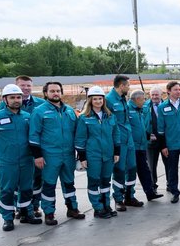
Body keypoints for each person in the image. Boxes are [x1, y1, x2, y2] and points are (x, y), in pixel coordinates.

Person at [29, 81, 85, 225]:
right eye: (52, 91)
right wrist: (37, 155)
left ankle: (72, 208)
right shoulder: (39, 111)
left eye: (58, 91)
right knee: (49, 185)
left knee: (69, 183)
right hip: (49, 155)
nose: (55, 93)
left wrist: (80, 153)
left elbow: (77, 133)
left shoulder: (69, 111)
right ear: (45, 93)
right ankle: (49, 213)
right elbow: (34, 135)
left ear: (61, 92)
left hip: (68, 154)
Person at [0, 85, 36, 231]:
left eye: (18, 97)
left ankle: (27, 213)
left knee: (26, 188)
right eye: (12, 97)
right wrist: (4, 152)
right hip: (7, 162)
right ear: (5, 99)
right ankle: (8, 218)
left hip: (26, 160)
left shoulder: (27, 117)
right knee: (7, 190)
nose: (16, 100)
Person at [0, 75, 46, 220]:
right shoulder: (4, 106)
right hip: (14, 154)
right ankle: (18, 208)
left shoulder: (40, 104)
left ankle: (34, 207)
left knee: (36, 181)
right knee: (15, 184)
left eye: (28, 85)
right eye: (22, 85)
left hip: (35, 151)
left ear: (32, 86)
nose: (25, 88)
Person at [75, 86, 120, 219]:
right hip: (93, 155)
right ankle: (98, 208)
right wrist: (82, 157)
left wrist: (117, 152)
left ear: (103, 100)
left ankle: (106, 205)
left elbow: (116, 135)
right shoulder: (84, 118)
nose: (98, 101)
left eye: (100, 99)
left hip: (108, 155)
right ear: (90, 100)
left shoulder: (110, 116)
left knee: (106, 181)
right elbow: (80, 139)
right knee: (94, 182)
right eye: (95, 99)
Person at [106, 75, 143, 211]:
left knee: (132, 168)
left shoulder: (123, 99)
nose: (129, 87)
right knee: (119, 170)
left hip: (129, 140)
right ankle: (118, 198)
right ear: (121, 86)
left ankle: (129, 196)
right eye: (127, 85)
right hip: (119, 141)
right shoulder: (108, 100)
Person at [128, 90, 163, 202]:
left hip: (141, 146)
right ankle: (128, 196)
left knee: (145, 171)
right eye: (143, 99)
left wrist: (148, 135)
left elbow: (140, 127)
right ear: (137, 99)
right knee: (131, 173)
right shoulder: (127, 110)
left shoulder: (140, 110)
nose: (145, 101)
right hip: (132, 147)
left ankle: (150, 193)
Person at [145, 87, 167, 194]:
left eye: (156, 94)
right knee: (151, 166)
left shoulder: (167, 105)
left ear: (161, 95)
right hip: (151, 142)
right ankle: (153, 186)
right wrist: (148, 134)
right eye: (152, 95)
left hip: (166, 141)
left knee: (169, 164)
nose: (154, 97)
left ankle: (170, 184)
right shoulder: (145, 107)